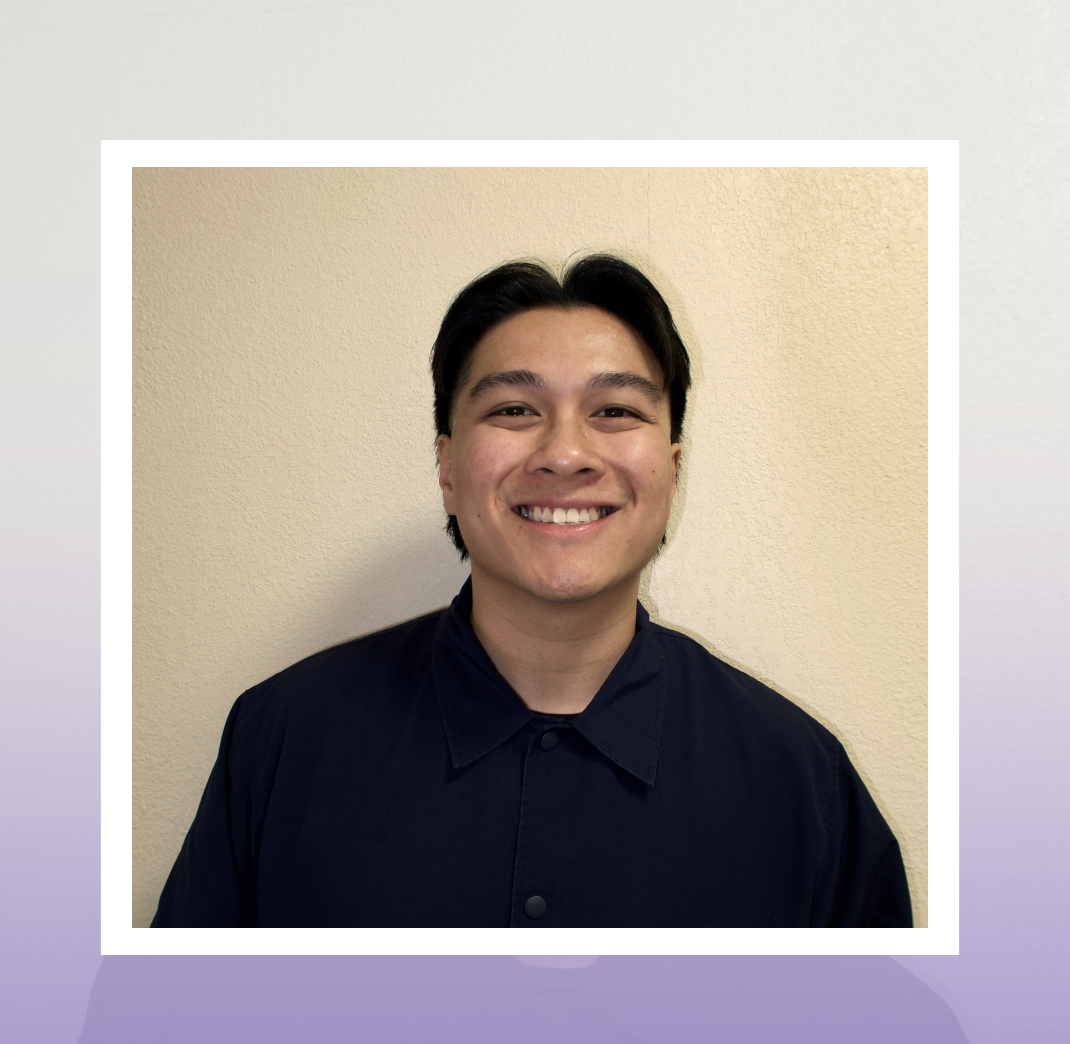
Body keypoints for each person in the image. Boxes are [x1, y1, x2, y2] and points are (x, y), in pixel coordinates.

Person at [152, 255, 912, 928]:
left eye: (615, 411)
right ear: (448, 467)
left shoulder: (800, 784)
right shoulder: (283, 743)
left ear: (673, 469)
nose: (565, 453)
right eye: (514, 410)